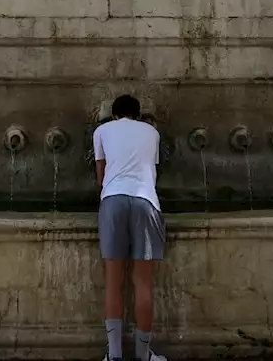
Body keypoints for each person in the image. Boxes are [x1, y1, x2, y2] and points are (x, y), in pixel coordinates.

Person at [93, 94, 167, 361]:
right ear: (138, 114)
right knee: (143, 283)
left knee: (114, 281)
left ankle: (114, 356)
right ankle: (144, 355)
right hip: (145, 200)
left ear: (114, 114)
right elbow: (151, 172)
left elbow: (101, 177)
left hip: (113, 200)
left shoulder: (102, 131)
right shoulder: (152, 133)